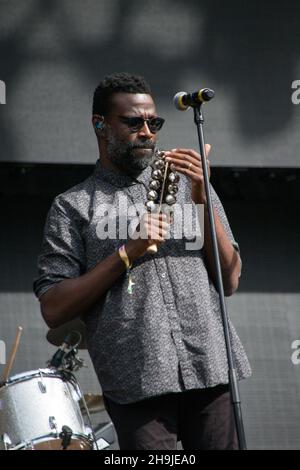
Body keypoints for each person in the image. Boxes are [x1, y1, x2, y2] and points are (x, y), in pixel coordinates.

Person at [33, 72, 251, 450]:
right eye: (133, 122)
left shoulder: (190, 184)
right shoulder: (73, 206)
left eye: (154, 122)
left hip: (211, 367)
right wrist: (126, 253)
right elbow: (53, 307)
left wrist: (201, 199)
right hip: (137, 381)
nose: (147, 131)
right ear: (100, 125)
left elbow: (230, 279)